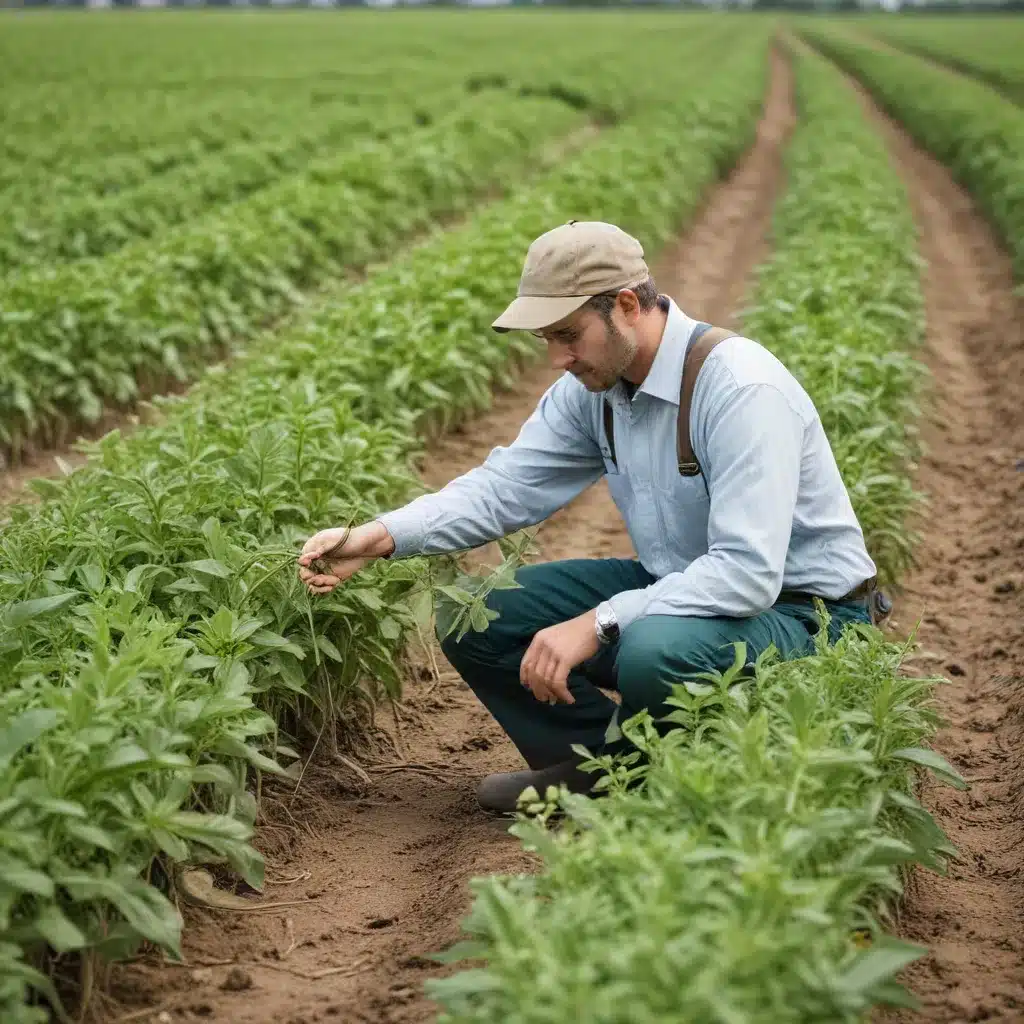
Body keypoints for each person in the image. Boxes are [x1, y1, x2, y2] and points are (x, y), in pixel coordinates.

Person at [297, 220, 879, 814]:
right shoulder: (595, 389)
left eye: (568, 334)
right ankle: (604, 769)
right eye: (546, 338)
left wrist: (600, 619)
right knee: (474, 614)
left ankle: (679, 789)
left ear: (626, 305)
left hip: (803, 615)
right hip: (683, 589)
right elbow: (506, 487)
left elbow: (747, 575)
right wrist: (380, 536)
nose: (556, 358)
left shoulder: (739, 390)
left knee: (651, 650)